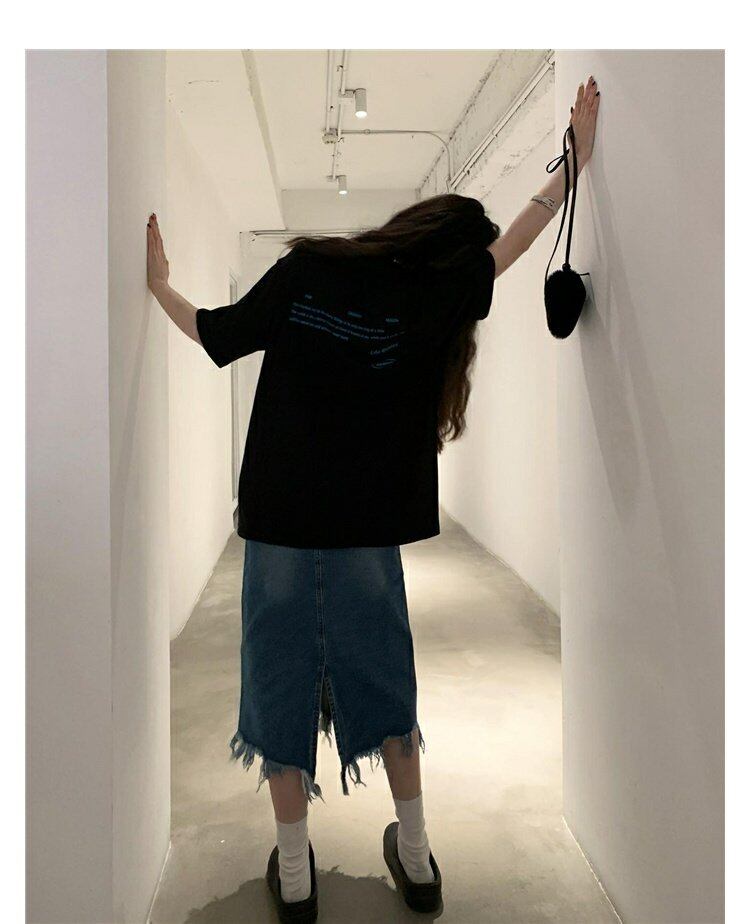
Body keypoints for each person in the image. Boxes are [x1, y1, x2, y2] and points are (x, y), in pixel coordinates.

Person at [147, 76, 600, 923]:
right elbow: (519, 239)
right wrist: (573, 161)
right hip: (366, 528)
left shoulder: (308, 268)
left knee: (277, 676)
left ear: (412, 226)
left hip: (280, 521)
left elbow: (216, 334)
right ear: (454, 260)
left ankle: (293, 875)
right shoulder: (436, 297)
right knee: (383, 672)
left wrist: (159, 285)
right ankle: (417, 859)